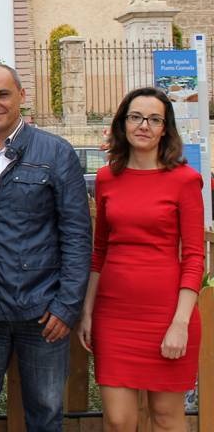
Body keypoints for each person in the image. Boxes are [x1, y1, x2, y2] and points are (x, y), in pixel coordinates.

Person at [0, 64, 91, 432]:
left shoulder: (55, 153)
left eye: (3, 94)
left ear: (21, 96)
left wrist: (67, 305)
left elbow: (76, 234)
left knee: (45, 415)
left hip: (43, 313)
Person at [77, 87, 202, 431]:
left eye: (154, 119)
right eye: (136, 117)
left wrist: (180, 323)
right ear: (123, 123)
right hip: (114, 315)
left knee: (166, 418)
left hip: (167, 315)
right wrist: (87, 311)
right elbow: (100, 250)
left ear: (165, 129)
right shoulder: (106, 178)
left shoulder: (185, 180)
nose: (144, 125)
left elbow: (194, 257)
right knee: (119, 421)